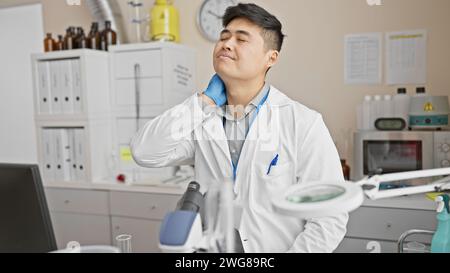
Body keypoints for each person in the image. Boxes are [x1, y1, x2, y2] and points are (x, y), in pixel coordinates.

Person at [131, 3, 348, 253]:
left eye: (241, 40)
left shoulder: (303, 123)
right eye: (224, 37)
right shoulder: (202, 118)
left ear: (271, 57)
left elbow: (330, 217)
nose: (226, 44)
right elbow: (144, 152)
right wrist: (204, 102)